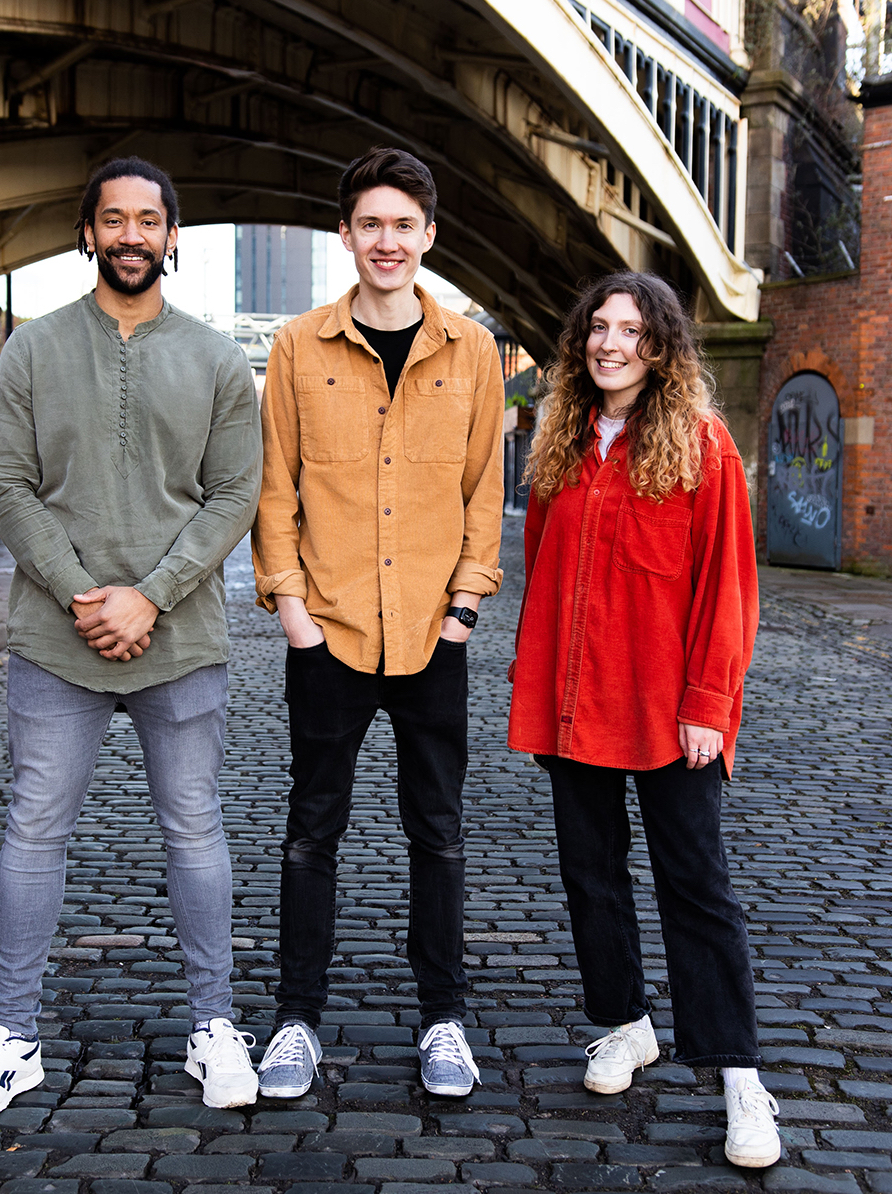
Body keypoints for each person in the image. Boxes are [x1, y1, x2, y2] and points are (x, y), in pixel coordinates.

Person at [0, 157, 262, 1118]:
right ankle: (10, 1036)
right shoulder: (33, 349)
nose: (131, 234)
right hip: (54, 637)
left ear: (173, 237)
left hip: (181, 638)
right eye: (112, 219)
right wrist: (87, 592)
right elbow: (7, 489)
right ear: (88, 233)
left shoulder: (215, 359)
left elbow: (233, 494)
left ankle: (215, 1027)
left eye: (148, 220)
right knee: (34, 830)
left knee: (195, 831)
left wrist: (151, 596)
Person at [507, 272, 778, 1167]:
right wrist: (540, 688)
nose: (609, 342)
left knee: (697, 888)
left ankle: (741, 1078)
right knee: (591, 876)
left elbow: (728, 589)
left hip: (670, 712)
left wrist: (709, 703)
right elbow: (544, 571)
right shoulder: (562, 446)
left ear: (660, 349)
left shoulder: (704, 448)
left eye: (630, 330)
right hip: (578, 703)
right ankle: (626, 1023)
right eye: (597, 328)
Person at [250, 146, 505, 1099]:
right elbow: (274, 489)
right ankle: (297, 1022)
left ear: (429, 237)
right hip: (332, 632)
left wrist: (467, 606)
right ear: (345, 236)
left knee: (436, 835)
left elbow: (486, 487)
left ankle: (444, 1019)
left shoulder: (472, 351)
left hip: (436, 634)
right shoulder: (296, 347)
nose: (388, 241)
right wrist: (291, 610)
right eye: (371, 225)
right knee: (312, 833)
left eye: (405, 225)